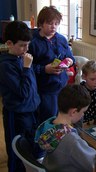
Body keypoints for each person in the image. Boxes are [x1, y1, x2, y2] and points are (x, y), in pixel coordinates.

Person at [0, 21, 40, 172]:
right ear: (9, 43)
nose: (26, 49)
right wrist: (27, 68)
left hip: (31, 111)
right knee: (16, 150)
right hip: (16, 114)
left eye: (28, 44)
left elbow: (31, 87)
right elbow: (23, 92)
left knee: (29, 147)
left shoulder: (21, 59)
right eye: (23, 45)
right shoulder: (5, 65)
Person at [28, 6, 75, 124]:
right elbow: (27, 67)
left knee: (63, 119)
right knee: (48, 121)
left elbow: (70, 57)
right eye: (49, 23)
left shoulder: (62, 39)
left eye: (56, 23)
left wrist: (69, 61)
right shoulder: (33, 42)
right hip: (45, 90)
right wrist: (44, 69)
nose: (53, 26)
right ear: (41, 24)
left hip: (62, 87)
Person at [34, 85, 96, 172]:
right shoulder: (73, 141)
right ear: (74, 112)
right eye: (83, 112)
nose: (83, 115)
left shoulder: (46, 125)